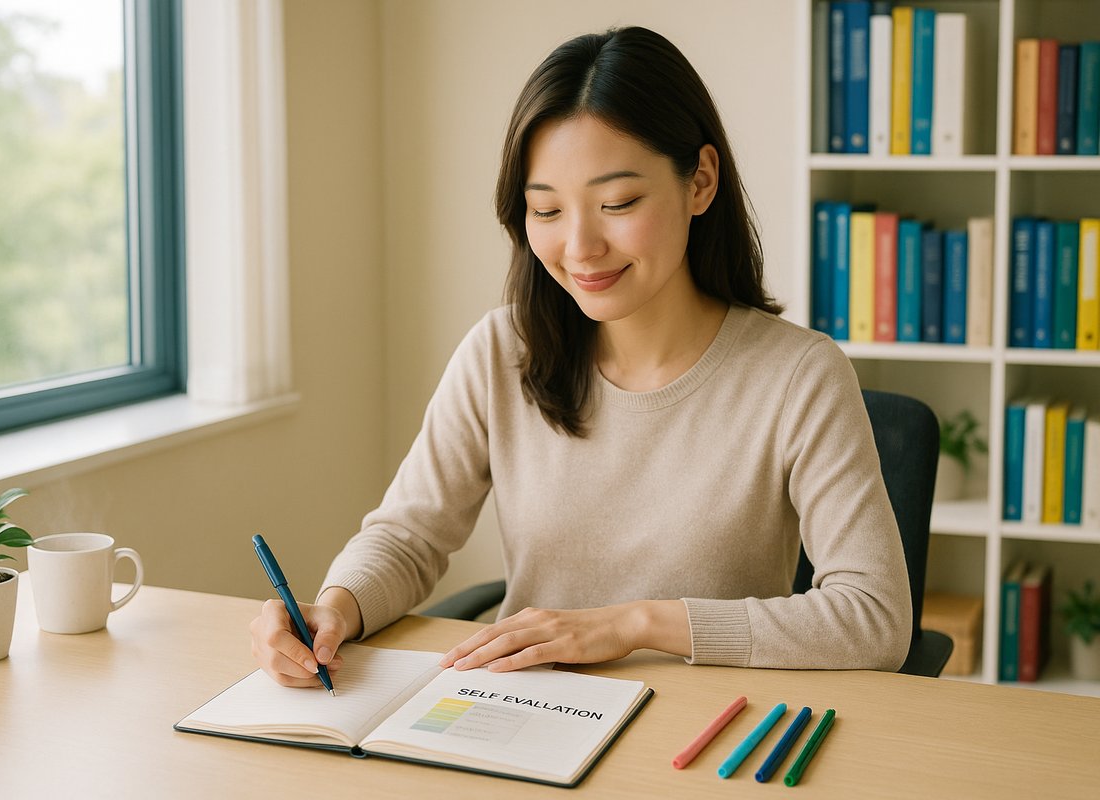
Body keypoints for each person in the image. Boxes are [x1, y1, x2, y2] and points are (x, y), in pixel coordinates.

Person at [250, 26, 911, 688]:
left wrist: (634, 625)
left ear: (701, 182)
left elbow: (875, 616)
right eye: (547, 210)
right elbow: (408, 537)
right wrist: (333, 611)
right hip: (524, 714)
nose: (580, 247)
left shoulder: (798, 377)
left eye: (617, 203)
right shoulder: (500, 352)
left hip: (705, 734)